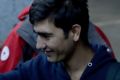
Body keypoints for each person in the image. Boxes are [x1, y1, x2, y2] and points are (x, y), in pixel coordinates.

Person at [0, 0, 119, 80]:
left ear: (75, 32)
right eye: (37, 35)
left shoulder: (112, 75)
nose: (38, 45)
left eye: (46, 36)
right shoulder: (40, 66)